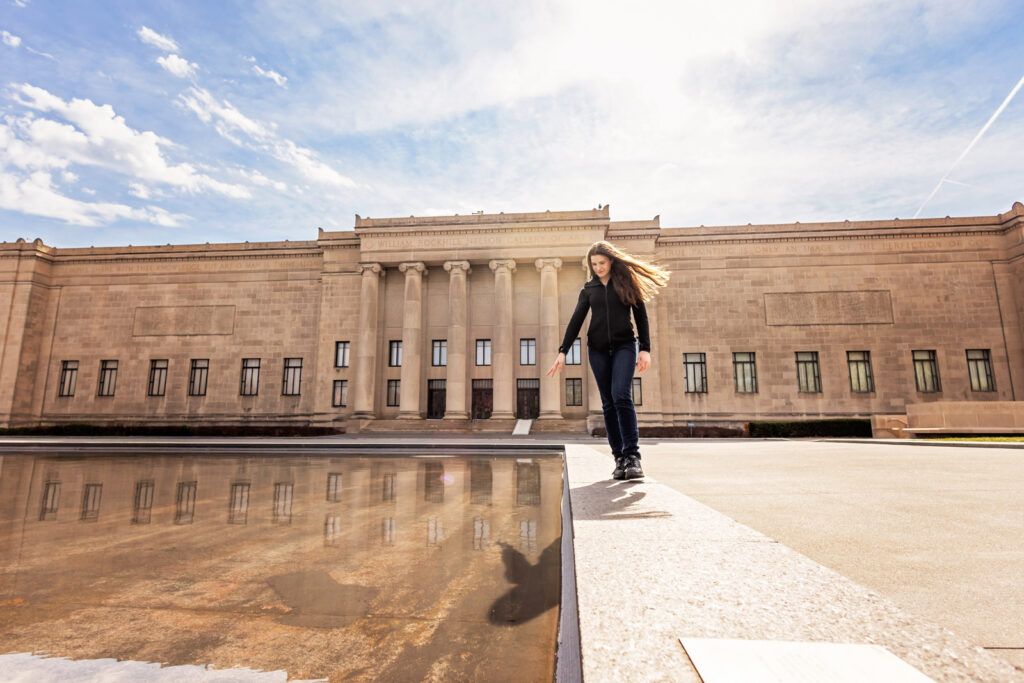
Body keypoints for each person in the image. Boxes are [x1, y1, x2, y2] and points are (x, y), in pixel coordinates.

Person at [546, 241, 670, 480]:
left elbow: (641, 317)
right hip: (598, 350)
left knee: (621, 395)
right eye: (594, 264)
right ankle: (619, 459)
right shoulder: (588, 289)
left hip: (625, 346)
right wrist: (563, 351)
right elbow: (576, 320)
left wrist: (645, 348)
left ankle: (633, 456)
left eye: (602, 262)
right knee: (608, 404)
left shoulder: (626, 284)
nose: (599, 267)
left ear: (611, 261)